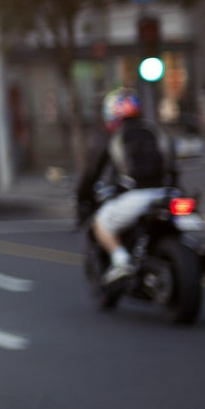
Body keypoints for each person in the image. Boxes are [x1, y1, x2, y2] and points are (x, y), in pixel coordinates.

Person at [78, 86, 177, 284]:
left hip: (136, 196)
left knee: (101, 223)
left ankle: (120, 260)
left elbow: (92, 173)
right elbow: (172, 164)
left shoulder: (115, 137)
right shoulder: (155, 130)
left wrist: (82, 196)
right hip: (167, 193)